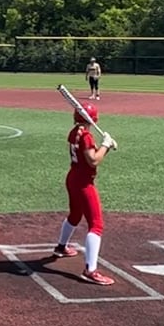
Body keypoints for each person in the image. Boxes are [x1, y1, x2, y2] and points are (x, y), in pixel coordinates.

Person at [51, 102, 118, 286]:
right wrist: (105, 146)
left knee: (75, 215)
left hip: (73, 178)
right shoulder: (86, 136)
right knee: (96, 225)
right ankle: (90, 270)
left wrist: (105, 147)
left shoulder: (75, 132)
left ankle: (61, 247)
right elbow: (93, 160)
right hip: (83, 183)